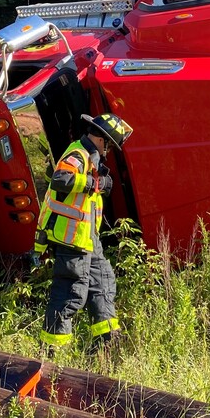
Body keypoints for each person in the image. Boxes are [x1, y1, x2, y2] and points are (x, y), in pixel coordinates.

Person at [35, 112, 133, 353]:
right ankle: (52, 352)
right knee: (71, 294)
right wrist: (94, 184)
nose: (109, 150)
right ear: (102, 139)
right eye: (110, 145)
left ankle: (106, 343)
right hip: (72, 240)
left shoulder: (90, 158)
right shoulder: (78, 154)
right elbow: (61, 179)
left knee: (103, 282)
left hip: (88, 239)